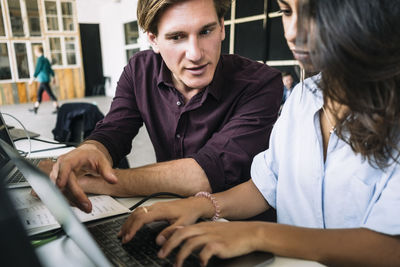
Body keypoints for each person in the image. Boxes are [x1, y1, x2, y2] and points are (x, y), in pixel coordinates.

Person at [117, 0, 400, 266]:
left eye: (315, 12)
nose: (293, 33)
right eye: (286, 12)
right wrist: (200, 206)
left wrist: (257, 235)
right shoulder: (303, 98)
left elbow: (391, 248)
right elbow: (265, 187)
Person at [49, 0, 283, 213]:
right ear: (153, 39)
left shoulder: (260, 83)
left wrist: (101, 183)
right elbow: (114, 131)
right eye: (176, 37)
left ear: (222, 27)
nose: (195, 54)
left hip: (236, 229)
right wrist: (91, 149)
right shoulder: (140, 70)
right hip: (169, 214)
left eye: (206, 31)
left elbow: (208, 172)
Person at [29, 46, 59, 114]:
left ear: (37, 52)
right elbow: (50, 69)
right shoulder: (46, 59)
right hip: (46, 79)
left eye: (35, 52)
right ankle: (35, 108)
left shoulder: (40, 59)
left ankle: (58, 108)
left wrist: (32, 79)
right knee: (39, 94)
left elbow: (37, 69)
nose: (35, 53)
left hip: (43, 80)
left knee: (50, 94)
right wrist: (53, 77)